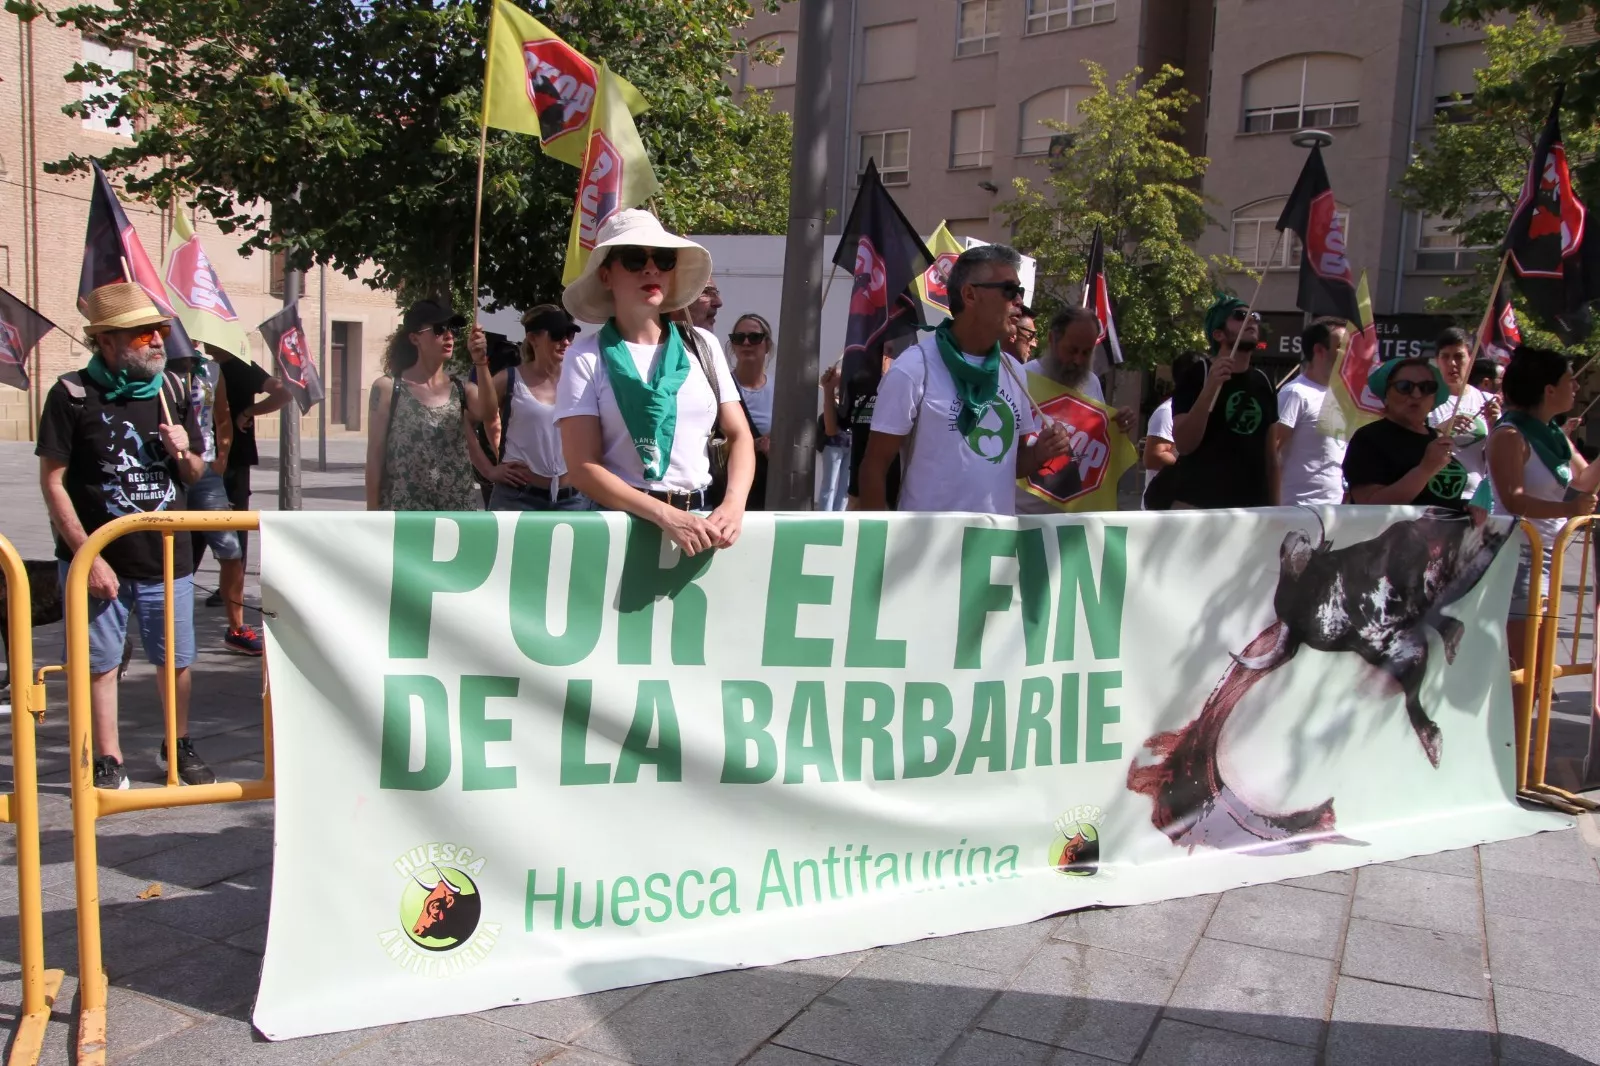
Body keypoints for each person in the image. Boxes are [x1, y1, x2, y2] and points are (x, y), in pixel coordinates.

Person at [36, 283, 214, 789]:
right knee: (100, 664)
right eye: (142, 334)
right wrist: (87, 556)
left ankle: (177, 744)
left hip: (167, 557)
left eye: (159, 330)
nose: (157, 340)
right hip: (98, 559)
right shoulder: (72, 394)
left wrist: (184, 452)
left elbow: (196, 474)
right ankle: (107, 757)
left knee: (175, 660)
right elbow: (53, 483)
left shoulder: (172, 390)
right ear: (107, 341)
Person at [557, 210, 755, 555]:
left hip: (704, 525)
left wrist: (733, 505)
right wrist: (666, 516)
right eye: (635, 259)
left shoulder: (703, 345)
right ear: (606, 275)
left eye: (663, 259)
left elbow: (739, 435)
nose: (651, 269)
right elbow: (582, 468)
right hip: (623, 528)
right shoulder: (585, 356)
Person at [859, 244, 1071, 514]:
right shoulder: (914, 369)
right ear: (970, 295)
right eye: (1009, 290)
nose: (1019, 301)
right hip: (929, 538)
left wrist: (1041, 452)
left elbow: (1011, 464)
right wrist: (879, 536)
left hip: (995, 538)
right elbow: (874, 467)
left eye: (1020, 291)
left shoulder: (1014, 372)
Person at [1489, 347, 1600, 675]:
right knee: (1523, 666)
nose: (1576, 387)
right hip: (1519, 558)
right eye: (1570, 380)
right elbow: (1514, 500)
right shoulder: (1509, 435)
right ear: (1549, 390)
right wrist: (1568, 508)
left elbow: (1584, 479)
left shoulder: (1553, 434)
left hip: (1549, 556)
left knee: (1539, 670)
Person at [365, 301, 499, 511]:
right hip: (406, 512)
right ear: (414, 338)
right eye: (439, 329)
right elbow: (375, 456)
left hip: (456, 514)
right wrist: (372, 515)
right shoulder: (388, 388)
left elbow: (489, 413)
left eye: (452, 329)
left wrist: (481, 362)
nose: (449, 336)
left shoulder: (462, 389)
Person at [173, 344, 260, 654]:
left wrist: (221, 457)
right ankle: (166, 625)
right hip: (168, 471)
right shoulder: (157, 374)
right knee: (168, 551)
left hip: (206, 471)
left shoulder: (211, 371)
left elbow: (222, 416)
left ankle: (237, 627)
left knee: (230, 549)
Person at [1016, 305, 1137, 513]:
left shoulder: (1092, 382)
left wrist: (1119, 423)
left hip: (1071, 520)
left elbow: (1098, 436)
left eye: (1086, 352)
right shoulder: (1021, 378)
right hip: (1023, 515)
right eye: (1072, 350)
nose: (1078, 360)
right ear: (1052, 339)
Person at [1166, 294, 1278, 509]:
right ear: (1218, 334)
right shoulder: (1198, 374)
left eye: (1254, 316)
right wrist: (1210, 388)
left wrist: (1276, 512)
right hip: (1201, 508)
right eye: (1240, 315)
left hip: (1252, 511)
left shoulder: (1263, 381)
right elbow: (1184, 444)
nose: (1251, 319)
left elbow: (1271, 458)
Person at [1342, 355, 1487, 515]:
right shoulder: (1369, 438)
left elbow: (1438, 499)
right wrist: (1425, 470)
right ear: (1386, 394)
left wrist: (1465, 509)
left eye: (1427, 387)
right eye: (1405, 387)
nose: (1416, 395)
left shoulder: (1437, 438)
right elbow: (1369, 506)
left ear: (1434, 398)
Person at [480, 306, 591, 511]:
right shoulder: (509, 379)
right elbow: (469, 419)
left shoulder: (581, 381)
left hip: (571, 499)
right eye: (557, 335)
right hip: (517, 498)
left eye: (569, 335)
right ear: (533, 338)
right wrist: (489, 470)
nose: (565, 342)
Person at [214, 346, 292, 606]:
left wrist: (249, 412)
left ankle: (231, 588)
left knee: (234, 522)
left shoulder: (241, 366)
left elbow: (283, 393)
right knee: (202, 523)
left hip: (235, 455)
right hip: (209, 454)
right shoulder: (205, 368)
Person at [1271, 317, 1350, 506]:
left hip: (1335, 511)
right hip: (1297, 509)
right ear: (1319, 350)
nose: (1349, 353)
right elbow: (1271, 452)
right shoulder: (1295, 393)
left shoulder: (1343, 396)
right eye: (1342, 346)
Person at [1429, 326, 1500, 509]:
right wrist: (1441, 429)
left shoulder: (1486, 400)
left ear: (1471, 359)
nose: (1452, 363)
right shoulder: (1425, 399)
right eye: (1445, 356)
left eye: (1459, 356)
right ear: (1437, 360)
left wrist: (1495, 426)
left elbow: (1498, 457)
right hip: (1435, 495)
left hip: (1476, 499)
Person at [1142, 352, 1202, 508]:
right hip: (1163, 509)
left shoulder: (1201, 410)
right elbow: (1153, 457)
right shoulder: (1166, 412)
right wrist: (1196, 466)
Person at [729, 313, 775, 510]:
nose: (746, 343)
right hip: (729, 490)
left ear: (767, 345)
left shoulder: (781, 391)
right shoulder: (721, 388)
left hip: (767, 491)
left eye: (754, 337)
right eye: (739, 338)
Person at [816, 361, 851, 510]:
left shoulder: (851, 396)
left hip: (850, 443)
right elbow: (830, 425)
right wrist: (829, 388)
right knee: (829, 485)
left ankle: (839, 516)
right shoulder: (832, 399)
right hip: (834, 445)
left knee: (845, 486)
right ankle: (825, 516)